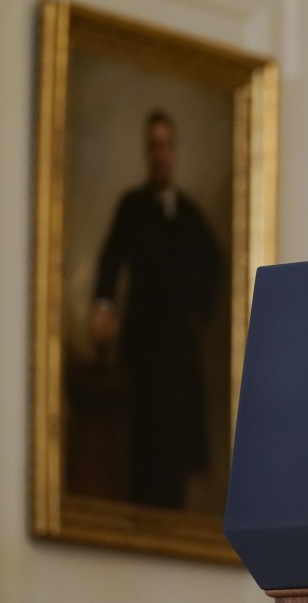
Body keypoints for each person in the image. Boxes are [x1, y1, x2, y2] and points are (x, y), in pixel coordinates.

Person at [90, 110, 221, 509]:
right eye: (154, 147)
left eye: (166, 146)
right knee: (142, 443)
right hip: (143, 346)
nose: (160, 154)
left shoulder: (189, 213)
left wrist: (198, 311)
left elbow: (215, 263)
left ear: (174, 152)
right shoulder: (131, 206)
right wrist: (103, 306)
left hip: (178, 354)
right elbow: (110, 261)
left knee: (176, 444)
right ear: (147, 153)